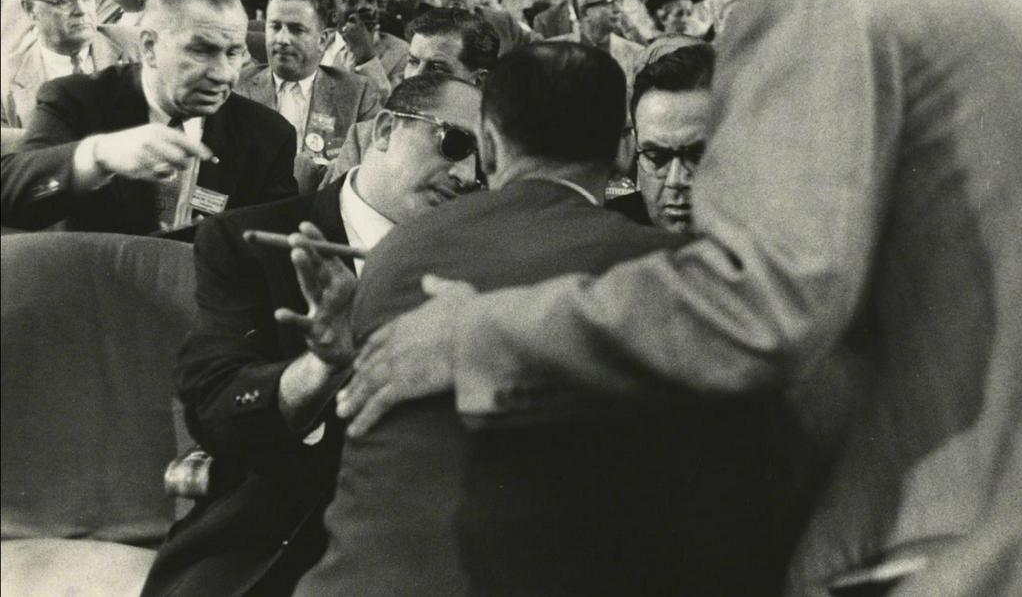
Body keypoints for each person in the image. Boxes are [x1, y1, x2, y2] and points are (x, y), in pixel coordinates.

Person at [338, 0, 1022, 597]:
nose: (691, 183)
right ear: (624, 151)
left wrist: (478, 331)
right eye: (659, 157)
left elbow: (759, 311)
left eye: (710, 151)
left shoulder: (815, 17)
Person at [296, 42, 776, 597]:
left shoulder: (396, 252)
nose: (676, 180)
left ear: (491, 146)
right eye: (659, 157)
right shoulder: (659, 271)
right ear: (625, 152)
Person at [139, 73, 484, 597]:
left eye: (486, 160)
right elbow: (215, 414)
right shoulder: (246, 240)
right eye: (455, 143)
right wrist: (322, 368)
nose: (467, 173)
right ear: (386, 129)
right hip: (277, 547)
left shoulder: (479, 263)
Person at [1, 0, 297, 235]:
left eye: (233, 53)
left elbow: (274, 254)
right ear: (149, 47)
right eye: (201, 51)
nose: (222, 74)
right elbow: (13, 198)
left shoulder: (268, 136)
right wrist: (99, 155)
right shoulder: (77, 100)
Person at [323, 7, 499, 182]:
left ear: (479, 80)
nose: (416, 76)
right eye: (413, 62)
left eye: (437, 68)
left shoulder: (499, 151)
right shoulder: (364, 138)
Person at [236, 0, 382, 192]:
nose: (282, 39)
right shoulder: (237, 86)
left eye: (297, 30)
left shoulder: (357, 94)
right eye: (275, 27)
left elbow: (366, 170)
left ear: (322, 40)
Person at [2, 0, 141, 136]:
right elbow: (10, 160)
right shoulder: (6, 78)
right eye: (64, 1)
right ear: (30, 10)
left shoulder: (138, 47)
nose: (82, 10)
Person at [607, 44, 714, 232]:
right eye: (656, 155)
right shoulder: (604, 234)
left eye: (698, 156)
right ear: (634, 145)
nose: (676, 180)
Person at [548, 0, 642, 99]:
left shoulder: (636, 54)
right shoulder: (552, 53)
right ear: (585, 12)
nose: (618, 9)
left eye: (618, 0)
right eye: (608, 1)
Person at [321, 0, 408, 92]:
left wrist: (366, 57)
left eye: (371, 0)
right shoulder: (318, 44)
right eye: (351, 1)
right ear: (334, 15)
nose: (365, 6)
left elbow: (389, 105)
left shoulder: (400, 52)